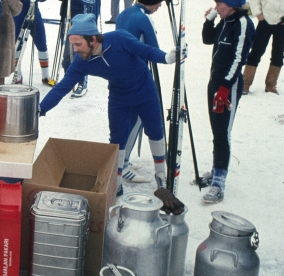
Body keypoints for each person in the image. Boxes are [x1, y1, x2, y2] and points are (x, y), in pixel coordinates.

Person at [39, 14, 182, 211]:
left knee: (155, 131)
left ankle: (161, 180)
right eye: (73, 44)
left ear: (94, 39)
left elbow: (146, 51)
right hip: (119, 96)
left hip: (144, 90)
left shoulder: (120, 39)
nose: (75, 49)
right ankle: (117, 182)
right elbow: (62, 87)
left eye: (78, 44)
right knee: (117, 138)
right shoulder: (82, 61)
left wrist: (167, 57)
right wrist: (41, 108)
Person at [200, 0, 255, 203]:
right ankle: (216, 170)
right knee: (216, 129)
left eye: (219, 4)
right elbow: (207, 39)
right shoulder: (225, 20)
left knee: (223, 132)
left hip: (228, 86)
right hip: (215, 83)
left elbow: (239, 59)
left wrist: (224, 88)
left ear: (232, 4)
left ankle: (219, 181)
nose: (217, 7)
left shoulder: (242, 24)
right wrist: (210, 19)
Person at [115, 0, 167, 182]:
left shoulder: (125, 12)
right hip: (135, 75)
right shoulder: (144, 18)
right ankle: (123, 163)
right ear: (153, 1)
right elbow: (152, 49)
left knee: (127, 119)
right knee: (136, 119)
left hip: (121, 72)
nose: (160, 6)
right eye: (159, 3)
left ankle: (122, 160)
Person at [53, 0, 95, 93]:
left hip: (81, 21)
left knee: (80, 54)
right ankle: (69, 81)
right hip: (67, 18)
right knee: (67, 56)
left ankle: (82, 83)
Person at [12, 0, 50, 84]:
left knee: (42, 43)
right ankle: (18, 75)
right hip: (18, 15)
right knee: (17, 44)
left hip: (34, 13)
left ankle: (46, 75)